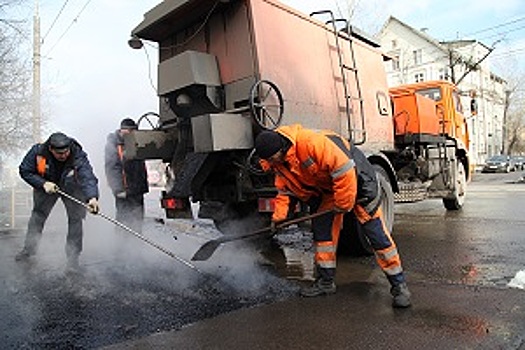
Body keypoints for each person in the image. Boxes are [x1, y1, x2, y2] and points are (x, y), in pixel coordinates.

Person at [254, 124, 411, 308]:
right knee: (323, 235)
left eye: (273, 158)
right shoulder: (278, 164)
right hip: (328, 189)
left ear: (282, 149)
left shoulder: (311, 143)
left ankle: (399, 285)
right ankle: (326, 282)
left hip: (360, 182)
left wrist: (343, 205)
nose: (271, 163)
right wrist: (278, 219)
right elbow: (285, 192)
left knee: (375, 233)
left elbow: (344, 170)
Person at [15, 132, 100, 270]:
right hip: (47, 186)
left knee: (75, 219)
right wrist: (43, 183)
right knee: (38, 216)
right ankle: (29, 251)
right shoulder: (37, 152)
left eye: (66, 152)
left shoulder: (77, 153)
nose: (64, 156)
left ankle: (73, 258)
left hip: (71, 187)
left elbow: (87, 176)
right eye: (60, 154)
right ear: (51, 149)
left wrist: (92, 198)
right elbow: (25, 171)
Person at [104, 118, 149, 234]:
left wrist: (142, 187)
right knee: (123, 219)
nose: (130, 134)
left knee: (138, 219)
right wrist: (118, 189)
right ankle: (121, 245)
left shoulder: (137, 142)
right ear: (122, 130)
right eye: (128, 131)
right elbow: (111, 168)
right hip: (123, 190)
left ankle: (136, 243)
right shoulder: (114, 144)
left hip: (137, 189)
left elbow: (141, 167)